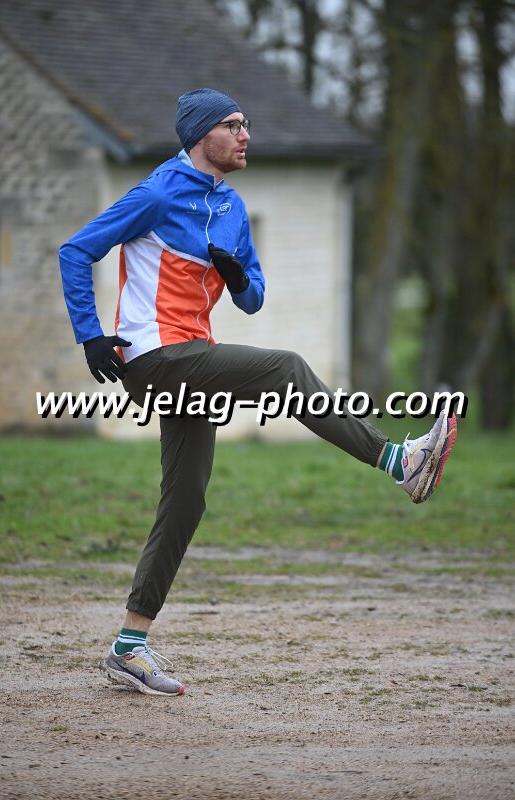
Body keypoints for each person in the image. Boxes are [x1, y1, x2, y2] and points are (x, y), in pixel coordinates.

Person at [59, 88, 457, 697]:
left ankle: (128, 647)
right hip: (155, 359)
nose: (246, 135)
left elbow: (253, 299)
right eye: (233, 125)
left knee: (186, 500)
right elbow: (75, 250)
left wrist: (238, 276)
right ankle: (399, 461)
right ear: (201, 135)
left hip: (191, 360)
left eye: (247, 124)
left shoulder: (233, 208)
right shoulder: (158, 193)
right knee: (285, 369)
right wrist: (90, 334)